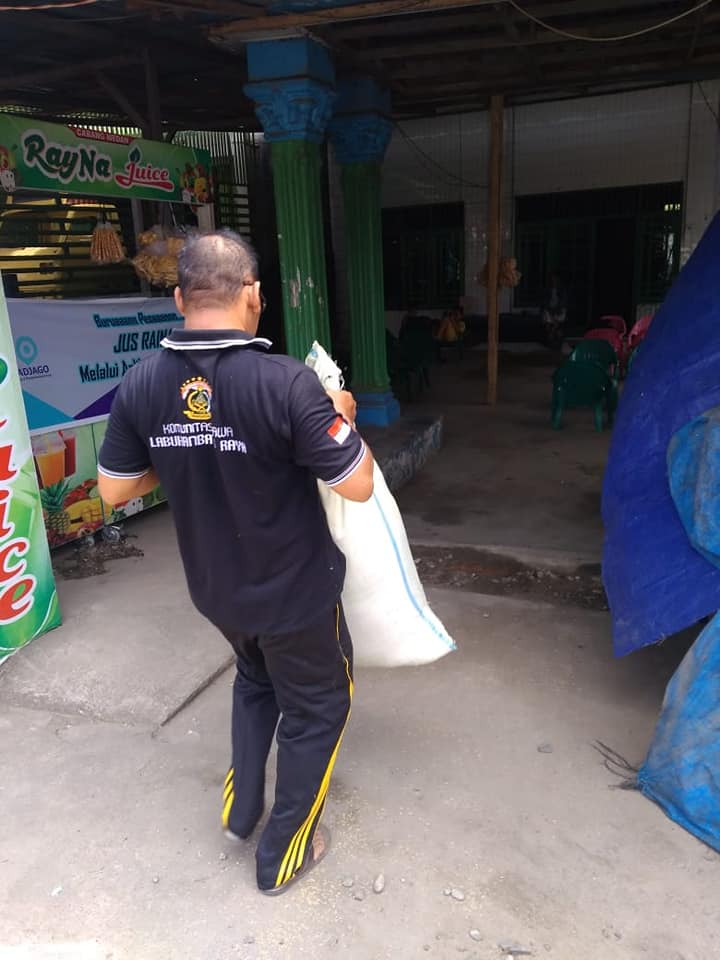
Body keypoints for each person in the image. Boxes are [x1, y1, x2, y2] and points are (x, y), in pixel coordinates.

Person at [97, 230, 374, 895]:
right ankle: (283, 853)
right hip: (296, 597)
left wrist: (186, 453)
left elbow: (113, 490)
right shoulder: (287, 382)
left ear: (178, 298)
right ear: (253, 295)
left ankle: (239, 810)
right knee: (319, 706)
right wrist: (339, 414)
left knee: (255, 679)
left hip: (218, 592)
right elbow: (358, 483)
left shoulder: (141, 383)